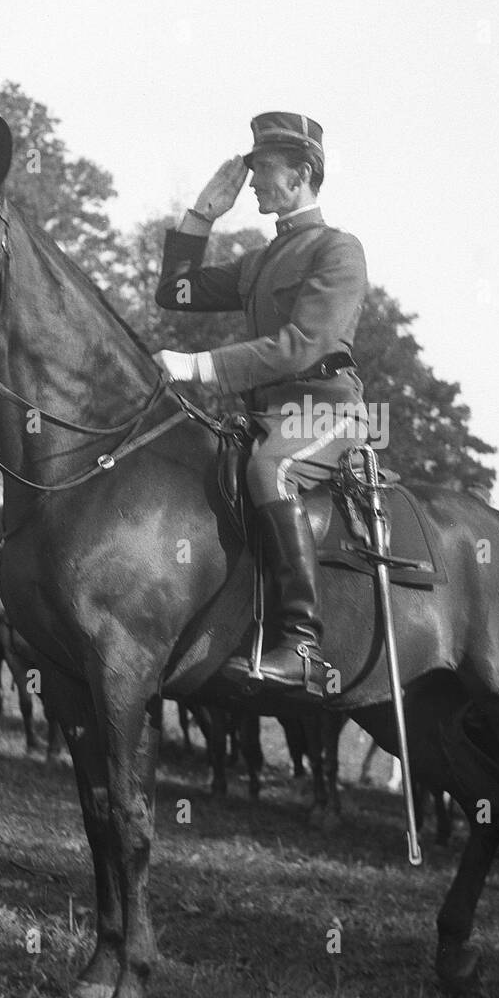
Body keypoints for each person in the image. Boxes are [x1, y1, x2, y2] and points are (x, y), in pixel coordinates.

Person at [154, 111, 368, 698]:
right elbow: (173, 292)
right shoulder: (259, 261)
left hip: (326, 412)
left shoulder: (339, 250)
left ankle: (301, 644)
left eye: (262, 170)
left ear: (301, 174)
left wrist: (201, 366)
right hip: (266, 415)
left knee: (271, 468)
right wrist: (201, 214)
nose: (251, 183)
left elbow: (306, 345)